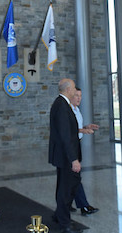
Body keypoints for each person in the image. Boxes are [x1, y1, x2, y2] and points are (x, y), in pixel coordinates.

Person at [49, 78, 83, 233]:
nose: (76, 91)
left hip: (64, 154)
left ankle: (59, 215)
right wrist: (73, 159)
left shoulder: (61, 104)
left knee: (65, 185)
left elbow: (68, 130)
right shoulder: (62, 106)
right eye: (74, 88)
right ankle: (65, 224)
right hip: (66, 156)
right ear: (68, 89)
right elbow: (64, 135)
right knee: (67, 188)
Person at [70, 87, 99, 215]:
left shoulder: (77, 110)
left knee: (68, 177)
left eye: (80, 96)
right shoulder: (68, 110)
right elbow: (67, 130)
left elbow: (76, 127)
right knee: (75, 175)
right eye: (76, 95)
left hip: (77, 144)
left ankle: (65, 203)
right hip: (70, 145)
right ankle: (84, 206)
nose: (79, 98)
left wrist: (86, 127)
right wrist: (83, 131)